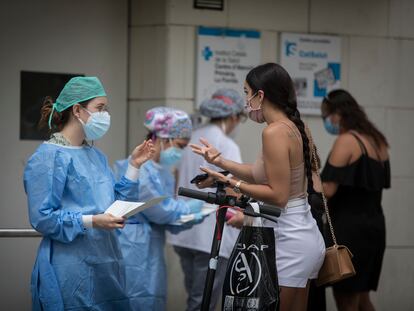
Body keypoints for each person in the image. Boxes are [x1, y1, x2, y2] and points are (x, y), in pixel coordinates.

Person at [190, 63, 326, 311]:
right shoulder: (294, 126)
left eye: (246, 92)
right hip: (301, 233)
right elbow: (257, 173)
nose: (245, 100)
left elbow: (278, 195)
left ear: (260, 95)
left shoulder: (274, 132)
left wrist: (231, 182)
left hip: (289, 239)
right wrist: (220, 162)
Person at [23, 76, 155, 311]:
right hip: (71, 270)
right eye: (100, 108)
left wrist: (134, 166)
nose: (105, 115)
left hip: (105, 265)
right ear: (77, 110)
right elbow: (43, 218)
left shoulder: (96, 156)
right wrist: (92, 221)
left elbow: (113, 205)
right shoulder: (48, 157)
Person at [114, 106, 204, 311]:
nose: (180, 152)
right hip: (132, 249)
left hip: (151, 250)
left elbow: (164, 216)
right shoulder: (140, 170)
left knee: (150, 299)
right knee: (134, 300)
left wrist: (185, 219)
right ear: (163, 138)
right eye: (180, 145)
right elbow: (160, 210)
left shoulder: (162, 172)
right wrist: (186, 209)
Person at [166, 89, 245, 311]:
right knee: (204, 303)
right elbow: (234, 189)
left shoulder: (190, 138)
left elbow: (176, 178)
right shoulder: (227, 145)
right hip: (211, 236)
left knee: (194, 296)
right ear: (233, 117)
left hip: (184, 232)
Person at [320, 90, 390, 311]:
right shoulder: (377, 140)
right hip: (374, 227)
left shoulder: (347, 140)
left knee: (346, 301)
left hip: (349, 230)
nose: (327, 121)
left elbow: (328, 190)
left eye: (326, 115)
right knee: (362, 299)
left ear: (338, 114)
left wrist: (310, 176)